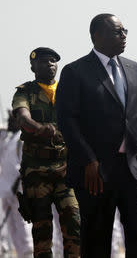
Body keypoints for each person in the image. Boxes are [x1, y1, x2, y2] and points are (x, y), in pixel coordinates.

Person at [56, 13, 137, 258]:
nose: (123, 36)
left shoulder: (134, 69)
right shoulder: (75, 72)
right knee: (97, 237)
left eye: (125, 31)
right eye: (117, 32)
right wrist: (89, 160)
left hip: (136, 168)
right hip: (97, 172)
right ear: (96, 35)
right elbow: (67, 122)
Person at [12, 47, 81, 258]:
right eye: (43, 62)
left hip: (65, 171)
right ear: (33, 66)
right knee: (42, 230)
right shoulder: (25, 91)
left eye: (53, 61)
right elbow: (22, 117)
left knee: (74, 222)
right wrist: (38, 127)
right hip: (37, 172)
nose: (50, 65)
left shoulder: (67, 92)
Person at [0, 112, 33, 258]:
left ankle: (28, 252)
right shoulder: (8, 139)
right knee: (12, 227)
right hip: (6, 190)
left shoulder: (22, 139)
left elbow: (25, 164)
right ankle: (21, 253)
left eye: (11, 120)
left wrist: (18, 183)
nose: (9, 123)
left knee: (22, 224)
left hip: (18, 190)